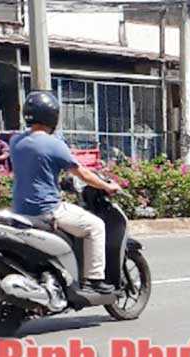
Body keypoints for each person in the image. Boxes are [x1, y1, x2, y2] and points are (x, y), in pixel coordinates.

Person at [10, 91, 121, 294]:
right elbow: (83, 174)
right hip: (47, 210)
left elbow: (36, 168)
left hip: (19, 210)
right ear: (53, 116)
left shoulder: (16, 142)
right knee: (95, 226)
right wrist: (106, 186)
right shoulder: (54, 144)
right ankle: (94, 280)